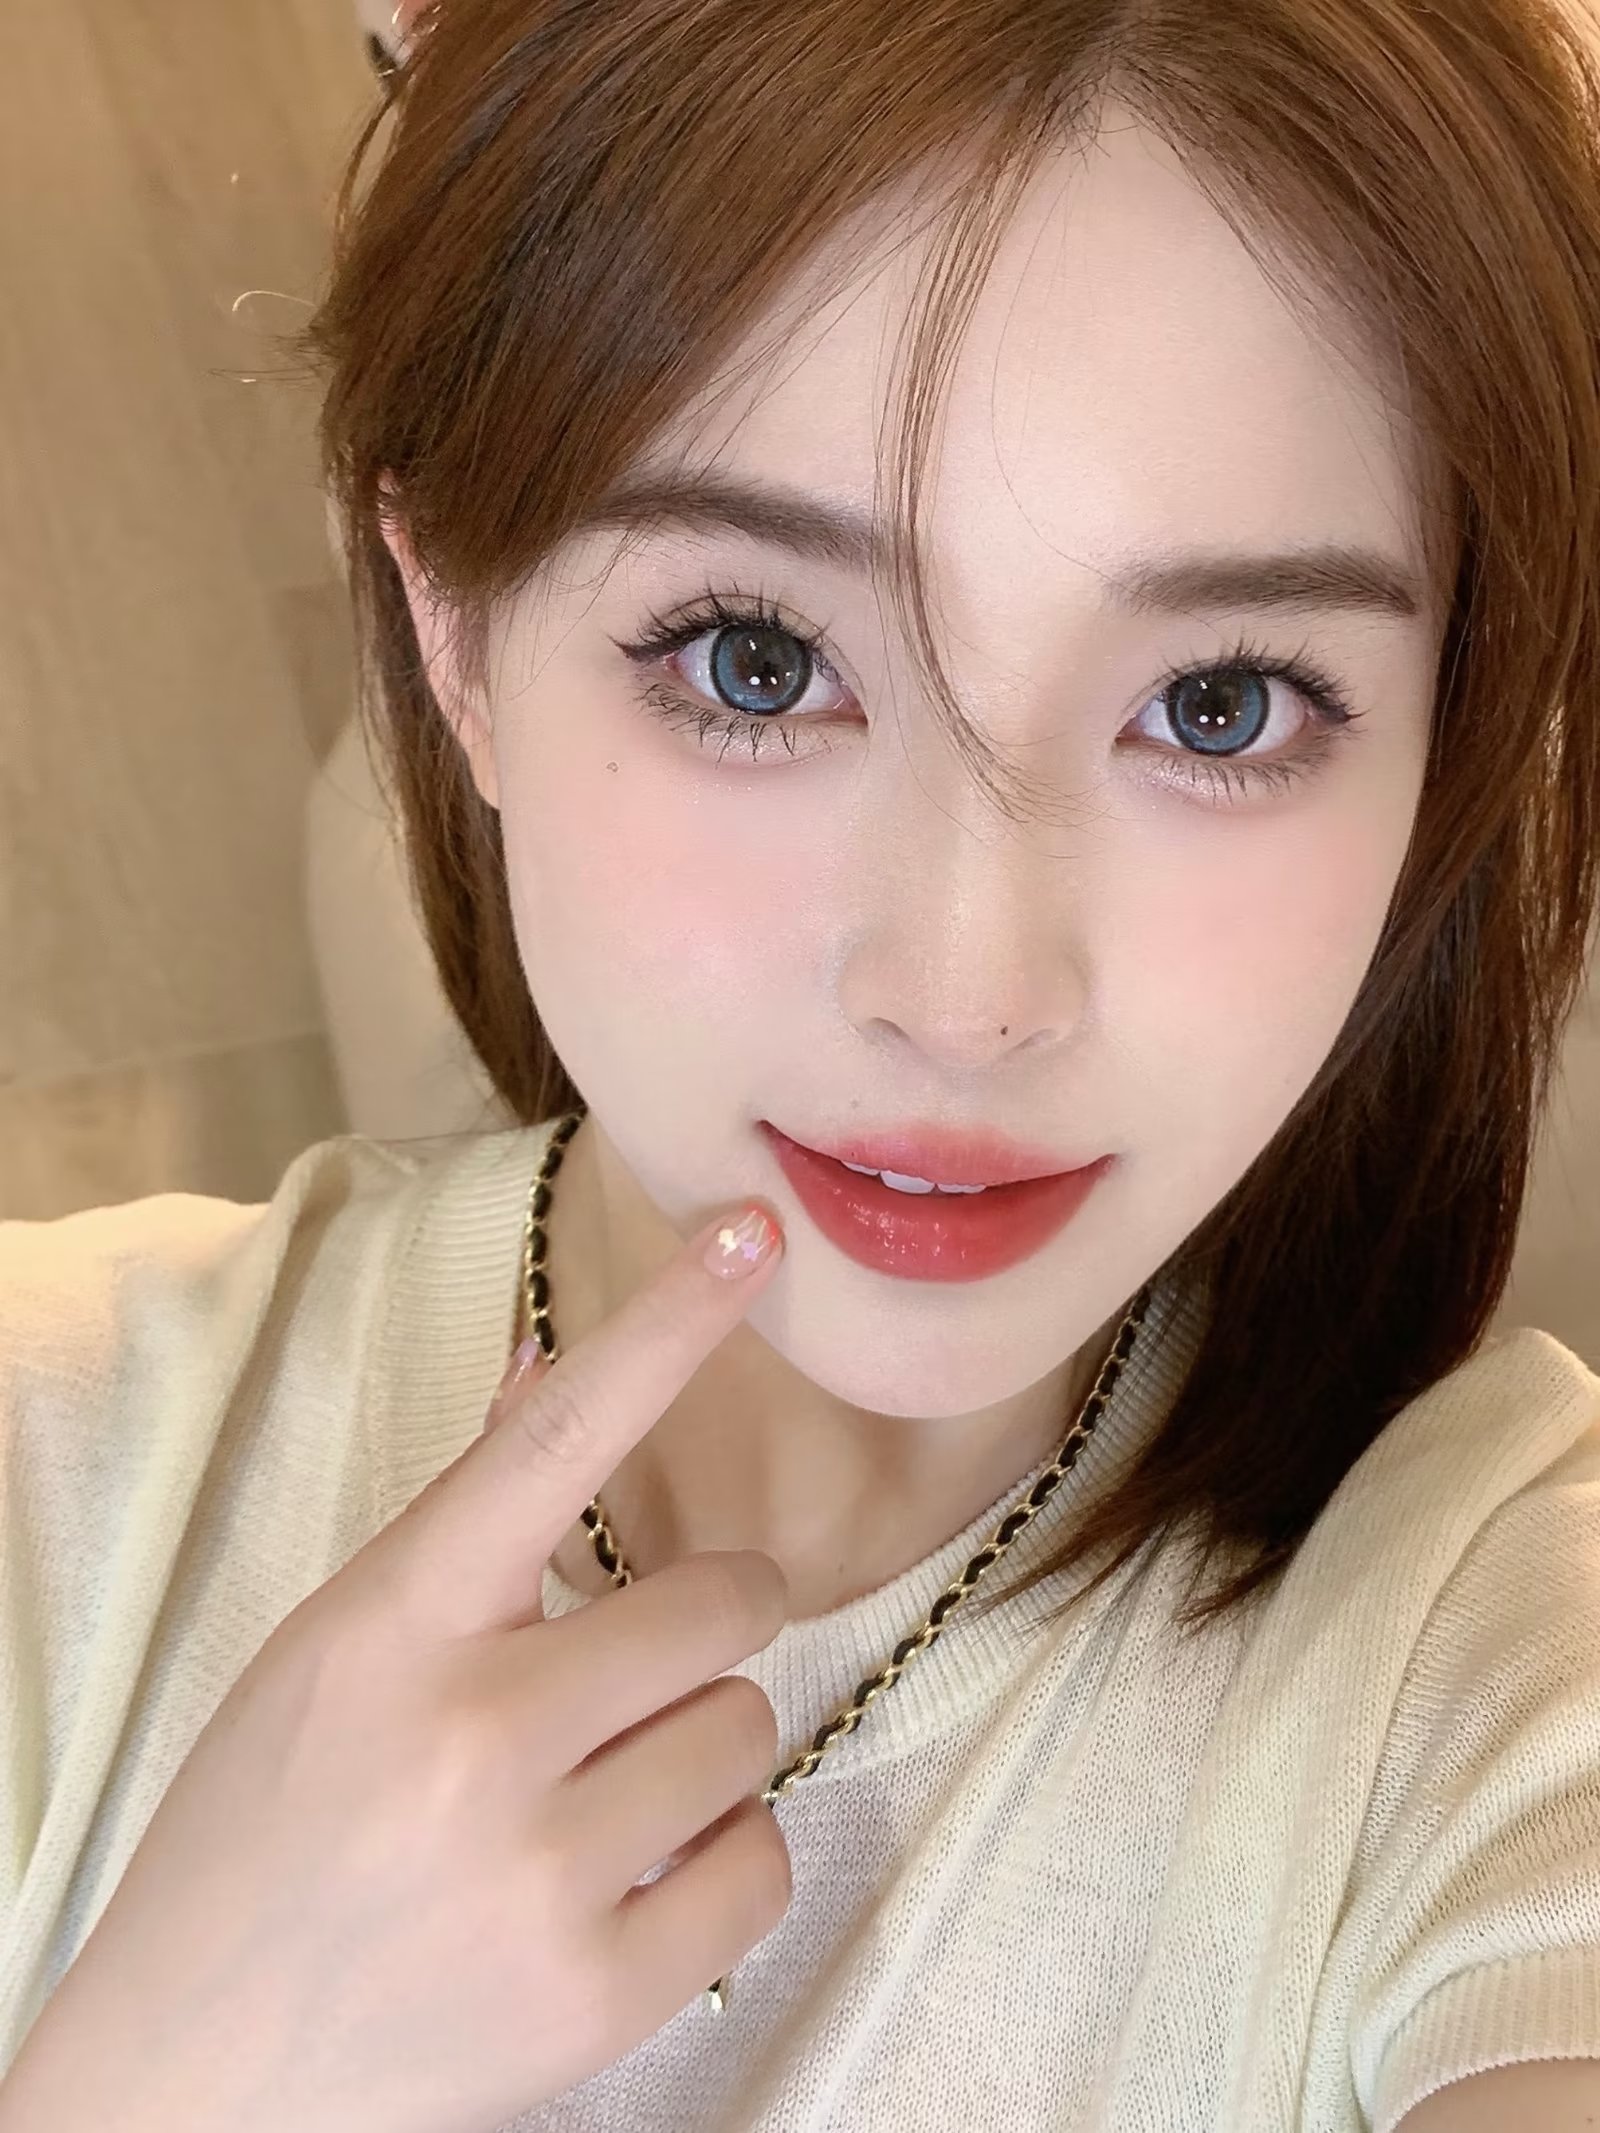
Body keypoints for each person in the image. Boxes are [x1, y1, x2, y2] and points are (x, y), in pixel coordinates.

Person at [2, 1, 1599, 2128]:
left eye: (1218, 704)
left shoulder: (1498, 1656)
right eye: (757, 661)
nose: (966, 993)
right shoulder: (53, 1451)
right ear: (453, 636)